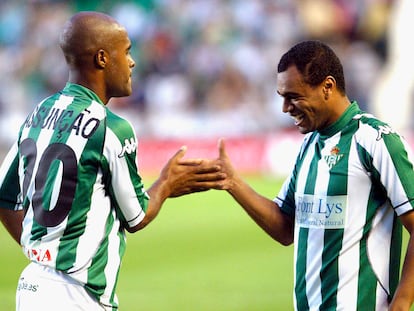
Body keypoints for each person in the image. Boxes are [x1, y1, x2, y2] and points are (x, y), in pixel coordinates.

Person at [0, 11, 225, 310]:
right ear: (103, 58)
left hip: (31, 286)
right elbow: (137, 216)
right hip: (77, 295)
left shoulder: (38, 113)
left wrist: (44, 253)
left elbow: (5, 197)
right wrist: (167, 183)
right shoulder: (111, 127)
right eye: (127, 51)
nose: (132, 62)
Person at [215, 40, 414, 310]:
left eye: (293, 96)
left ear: (327, 87)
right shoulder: (309, 146)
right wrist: (233, 183)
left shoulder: (376, 141)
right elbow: (286, 227)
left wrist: (401, 303)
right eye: (282, 97)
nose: (285, 108)